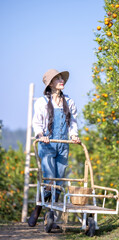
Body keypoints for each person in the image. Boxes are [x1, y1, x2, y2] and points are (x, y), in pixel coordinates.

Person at [28, 69, 80, 227]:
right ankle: (38, 209)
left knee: (60, 181)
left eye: (61, 78)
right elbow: (36, 122)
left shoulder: (69, 101)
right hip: (48, 144)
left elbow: (73, 122)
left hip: (64, 145)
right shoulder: (42, 102)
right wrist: (40, 135)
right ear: (50, 83)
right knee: (50, 181)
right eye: (57, 79)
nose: (61, 80)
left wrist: (74, 135)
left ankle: (51, 216)